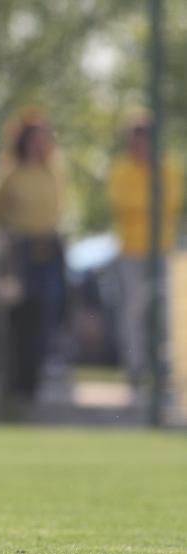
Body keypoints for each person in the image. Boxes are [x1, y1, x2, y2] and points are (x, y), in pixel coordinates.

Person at [0, 107, 68, 401]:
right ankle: (18, 377)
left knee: (50, 307)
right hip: (21, 249)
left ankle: (41, 369)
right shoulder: (10, 171)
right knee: (22, 311)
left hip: (49, 245)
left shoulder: (52, 170)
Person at [107, 111, 183, 391]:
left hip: (161, 249)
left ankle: (162, 369)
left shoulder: (167, 169)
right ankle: (135, 368)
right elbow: (122, 204)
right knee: (134, 312)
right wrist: (148, 206)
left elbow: (170, 203)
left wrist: (145, 207)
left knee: (163, 312)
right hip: (131, 250)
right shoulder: (121, 170)